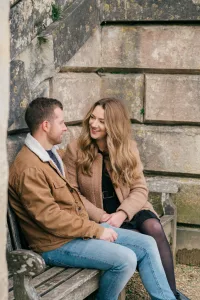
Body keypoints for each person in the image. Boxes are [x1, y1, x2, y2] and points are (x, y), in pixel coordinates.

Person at [8, 97, 176, 300]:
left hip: (74, 232)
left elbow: (138, 187)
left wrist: (105, 222)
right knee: (126, 259)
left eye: (101, 120)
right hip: (53, 245)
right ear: (46, 125)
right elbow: (49, 218)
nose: (66, 128)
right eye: (61, 122)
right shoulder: (30, 168)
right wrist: (96, 229)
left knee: (148, 244)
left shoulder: (50, 154)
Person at [63, 98, 189, 300]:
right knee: (143, 241)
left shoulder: (127, 148)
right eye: (92, 118)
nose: (94, 124)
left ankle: (172, 293)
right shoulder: (75, 149)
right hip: (99, 215)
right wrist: (102, 216)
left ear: (114, 124)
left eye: (102, 121)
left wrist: (122, 213)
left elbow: (140, 188)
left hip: (129, 209)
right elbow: (73, 193)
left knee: (154, 228)